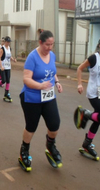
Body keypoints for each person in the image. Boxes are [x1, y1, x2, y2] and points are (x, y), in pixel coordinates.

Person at [18, 30, 63, 172]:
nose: (49, 47)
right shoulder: (32, 57)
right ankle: (24, 150)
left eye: (52, 44)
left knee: (54, 124)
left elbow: (52, 71)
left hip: (48, 97)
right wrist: (40, 86)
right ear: (40, 42)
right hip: (31, 98)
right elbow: (26, 79)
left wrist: (57, 82)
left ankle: (50, 146)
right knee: (31, 126)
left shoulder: (52, 55)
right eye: (47, 45)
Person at [0, 36, 17, 102]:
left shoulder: (9, 48)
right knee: (3, 80)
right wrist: (1, 66)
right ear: (5, 42)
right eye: (7, 42)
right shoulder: (2, 49)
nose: (8, 43)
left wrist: (13, 59)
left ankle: (6, 93)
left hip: (8, 66)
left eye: (9, 42)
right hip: (3, 67)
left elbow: (9, 56)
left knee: (8, 80)